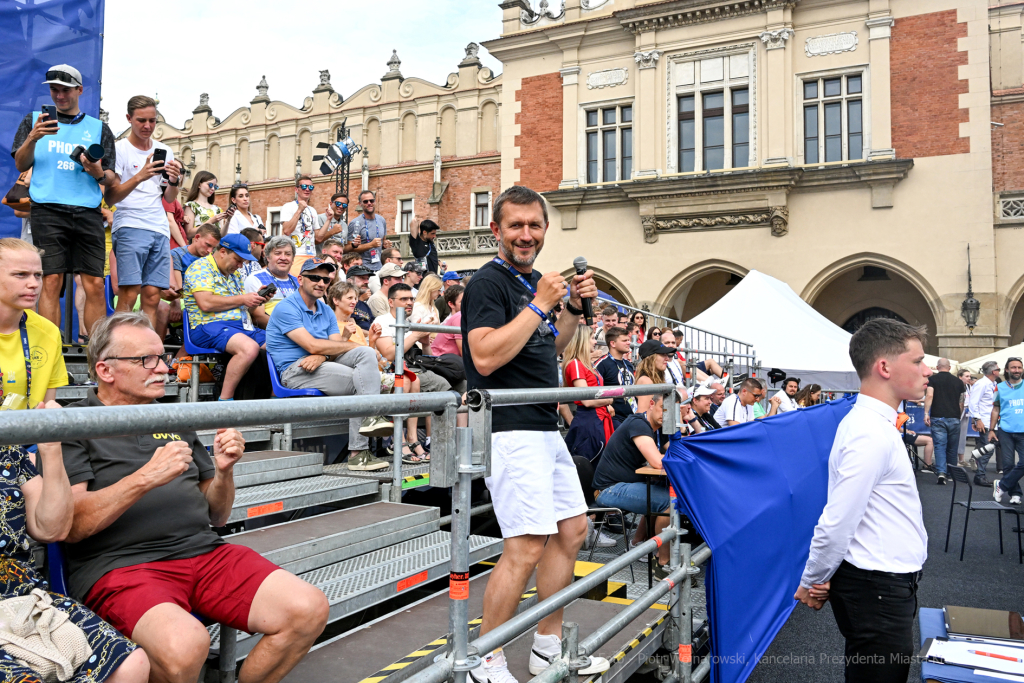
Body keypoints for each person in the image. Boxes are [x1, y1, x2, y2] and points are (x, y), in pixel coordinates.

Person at [62, 312, 328, 683]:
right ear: (106, 371)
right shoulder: (74, 423)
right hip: (121, 567)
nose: (165, 368)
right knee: (186, 644)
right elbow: (73, 526)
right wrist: (144, 479)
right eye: (145, 360)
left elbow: (217, 516)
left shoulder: (173, 418)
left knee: (308, 608)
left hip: (203, 551)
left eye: (163, 356)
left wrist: (223, 471)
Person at [461, 185, 606, 683]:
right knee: (524, 545)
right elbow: (484, 356)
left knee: (572, 531)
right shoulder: (488, 282)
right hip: (510, 428)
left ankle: (547, 645)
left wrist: (566, 311)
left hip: (543, 426)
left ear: (545, 229)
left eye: (535, 225)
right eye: (516, 225)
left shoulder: (528, 285)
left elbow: (552, 346)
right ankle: (485, 657)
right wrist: (542, 304)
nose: (527, 234)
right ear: (497, 230)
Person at [795, 319, 930, 683]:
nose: (927, 370)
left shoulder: (873, 425)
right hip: (877, 588)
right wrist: (813, 579)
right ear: (884, 367)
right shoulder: (869, 432)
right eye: (917, 361)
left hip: (883, 585)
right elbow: (837, 520)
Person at [11, 64, 116, 335]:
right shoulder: (33, 120)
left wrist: (96, 170)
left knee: (93, 283)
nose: (59, 96)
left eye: (65, 90)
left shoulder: (98, 128)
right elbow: (21, 163)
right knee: (51, 280)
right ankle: (52, 356)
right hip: (47, 209)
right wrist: (33, 138)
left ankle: (98, 357)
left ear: (79, 90)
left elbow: (109, 178)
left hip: (87, 211)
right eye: (54, 90)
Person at [266, 258, 385, 462]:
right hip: (295, 370)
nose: (321, 283)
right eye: (314, 277)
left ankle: (371, 419)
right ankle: (358, 453)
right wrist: (346, 346)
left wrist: (322, 356)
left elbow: (334, 348)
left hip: (320, 364)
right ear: (300, 279)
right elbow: (312, 345)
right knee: (364, 381)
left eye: (325, 279)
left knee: (365, 355)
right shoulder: (286, 307)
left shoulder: (326, 310)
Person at [593, 393, 675, 577]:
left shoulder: (658, 426)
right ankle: (663, 563)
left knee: (662, 493)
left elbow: (677, 450)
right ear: (651, 404)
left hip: (625, 484)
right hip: (609, 489)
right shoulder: (638, 424)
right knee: (668, 502)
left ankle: (638, 543)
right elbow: (658, 462)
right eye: (664, 408)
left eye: (672, 412)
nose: (666, 415)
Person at [182, 234, 269, 401]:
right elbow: (205, 303)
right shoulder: (201, 267)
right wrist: (243, 299)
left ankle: (272, 399)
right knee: (249, 348)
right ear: (223, 251)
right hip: (207, 325)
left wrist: (257, 300)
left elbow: (240, 306)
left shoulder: (234, 274)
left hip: (241, 327)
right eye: (238, 260)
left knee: (280, 344)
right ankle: (224, 402)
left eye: (243, 262)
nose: (240, 265)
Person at [373, 283, 449, 464]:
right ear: (391, 302)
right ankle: (401, 440)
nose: (409, 303)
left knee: (426, 382)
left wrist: (424, 342)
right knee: (438, 385)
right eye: (404, 299)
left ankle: (416, 439)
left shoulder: (408, 323)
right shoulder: (382, 321)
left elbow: (427, 359)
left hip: (412, 370)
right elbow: (389, 355)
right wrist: (414, 335)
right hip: (390, 371)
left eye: (411, 299)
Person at [0, 239, 69, 409]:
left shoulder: (49, 332)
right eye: (21, 274)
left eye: (38, 275)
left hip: (28, 434)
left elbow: (46, 406)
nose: (34, 284)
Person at [562, 325, 614, 462]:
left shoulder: (585, 364)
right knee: (590, 466)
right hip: (590, 421)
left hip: (598, 419)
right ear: (582, 341)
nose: (595, 342)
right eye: (592, 338)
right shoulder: (576, 364)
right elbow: (587, 401)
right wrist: (609, 400)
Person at [923, 358, 964, 485]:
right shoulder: (958, 382)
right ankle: (952, 473)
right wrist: (958, 414)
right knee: (952, 447)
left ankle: (941, 473)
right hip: (954, 417)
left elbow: (929, 395)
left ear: (937, 367)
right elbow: (961, 401)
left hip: (938, 417)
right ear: (950, 368)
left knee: (940, 446)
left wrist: (926, 413)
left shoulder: (932, 380)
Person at [243, 236, 299, 328]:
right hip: (274, 333)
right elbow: (258, 316)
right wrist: (290, 332)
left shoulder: (298, 281)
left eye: (288, 254)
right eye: (278, 253)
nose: (283, 258)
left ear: (293, 259)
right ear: (268, 257)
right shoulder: (256, 278)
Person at [990, 356, 1024, 505]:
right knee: (1008, 464)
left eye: (1019, 367)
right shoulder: (1000, 387)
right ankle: (1015, 493)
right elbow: (995, 409)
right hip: (1006, 430)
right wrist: (991, 429)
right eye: (1013, 367)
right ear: (1007, 370)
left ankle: (1001, 485)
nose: (1017, 370)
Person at [596, 326, 636, 427]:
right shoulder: (601, 364)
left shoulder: (628, 364)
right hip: (613, 418)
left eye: (628, 340)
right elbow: (593, 391)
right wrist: (606, 406)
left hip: (632, 416)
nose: (628, 343)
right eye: (624, 340)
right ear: (612, 343)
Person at [279, 175, 319, 275]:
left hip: (311, 255)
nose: (307, 189)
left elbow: (318, 237)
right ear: (297, 189)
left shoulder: (312, 210)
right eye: (304, 187)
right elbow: (287, 230)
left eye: (310, 187)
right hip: (295, 254)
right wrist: (299, 210)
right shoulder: (288, 206)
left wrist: (328, 220)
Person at [968, 360, 1000, 484]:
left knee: (988, 447)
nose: (999, 371)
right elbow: (973, 402)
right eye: (998, 369)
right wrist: (977, 419)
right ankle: (980, 475)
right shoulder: (982, 384)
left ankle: (978, 465)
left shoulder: (993, 383)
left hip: (991, 420)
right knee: (989, 448)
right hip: (985, 421)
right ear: (993, 371)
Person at [346, 190, 390, 273]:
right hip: (362, 269)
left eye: (371, 200)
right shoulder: (355, 223)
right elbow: (349, 249)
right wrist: (371, 245)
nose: (369, 203)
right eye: (365, 201)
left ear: (375, 201)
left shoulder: (381, 220)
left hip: (379, 267)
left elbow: (383, 241)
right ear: (360, 204)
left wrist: (386, 244)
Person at [170, 224, 221, 295]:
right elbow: (178, 289)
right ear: (197, 237)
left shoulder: (211, 259)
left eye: (213, 248)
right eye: (208, 245)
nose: (210, 250)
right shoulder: (177, 254)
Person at [183, 171, 229, 239]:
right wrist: (210, 221)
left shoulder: (217, 209)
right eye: (210, 185)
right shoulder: (191, 206)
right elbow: (189, 234)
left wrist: (229, 220)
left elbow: (221, 236)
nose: (213, 189)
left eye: (215, 186)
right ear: (199, 184)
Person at [634, 340, 675, 414]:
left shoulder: (654, 378)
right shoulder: (646, 381)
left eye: (666, 354)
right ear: (651, 358)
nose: (667, 358)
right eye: (663, 354)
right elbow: (642, 414)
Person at [431, 285, 464, 356]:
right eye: (462, 302)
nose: (467, 304)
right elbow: (464, 353)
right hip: (441, 363)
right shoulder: (459, 317)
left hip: (447, 361)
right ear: (451, 304)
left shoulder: (457, 317)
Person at [346, 264, 376, 331]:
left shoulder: (364, 305)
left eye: (367, 279)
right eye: (362, 278)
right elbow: (353, 329)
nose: (367, 282)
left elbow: (374, 325)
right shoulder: (344, 302)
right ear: (350, 281)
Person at [957, 368, 975, 467]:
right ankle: (953, 459)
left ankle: (961, 459)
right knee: (955, 436)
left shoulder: (968, 386)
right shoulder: (956, 386)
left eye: (969, 376)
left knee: (963, 437)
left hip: (966, 413)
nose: (969, 378)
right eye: (966, 376)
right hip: (957, 413)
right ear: (960, 377)